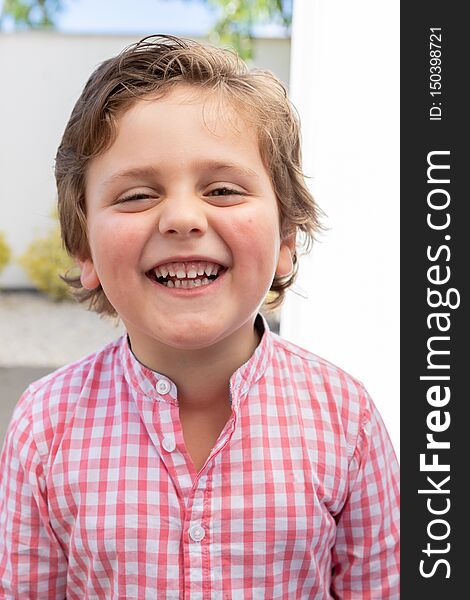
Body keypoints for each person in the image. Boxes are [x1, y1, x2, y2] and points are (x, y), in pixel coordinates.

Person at [0, 35, 399, 598]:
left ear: (286, 239)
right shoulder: (44, 428)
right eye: (137, 195)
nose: (183, 217)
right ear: (84, 250)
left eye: (223, 189)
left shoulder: (346, 420)